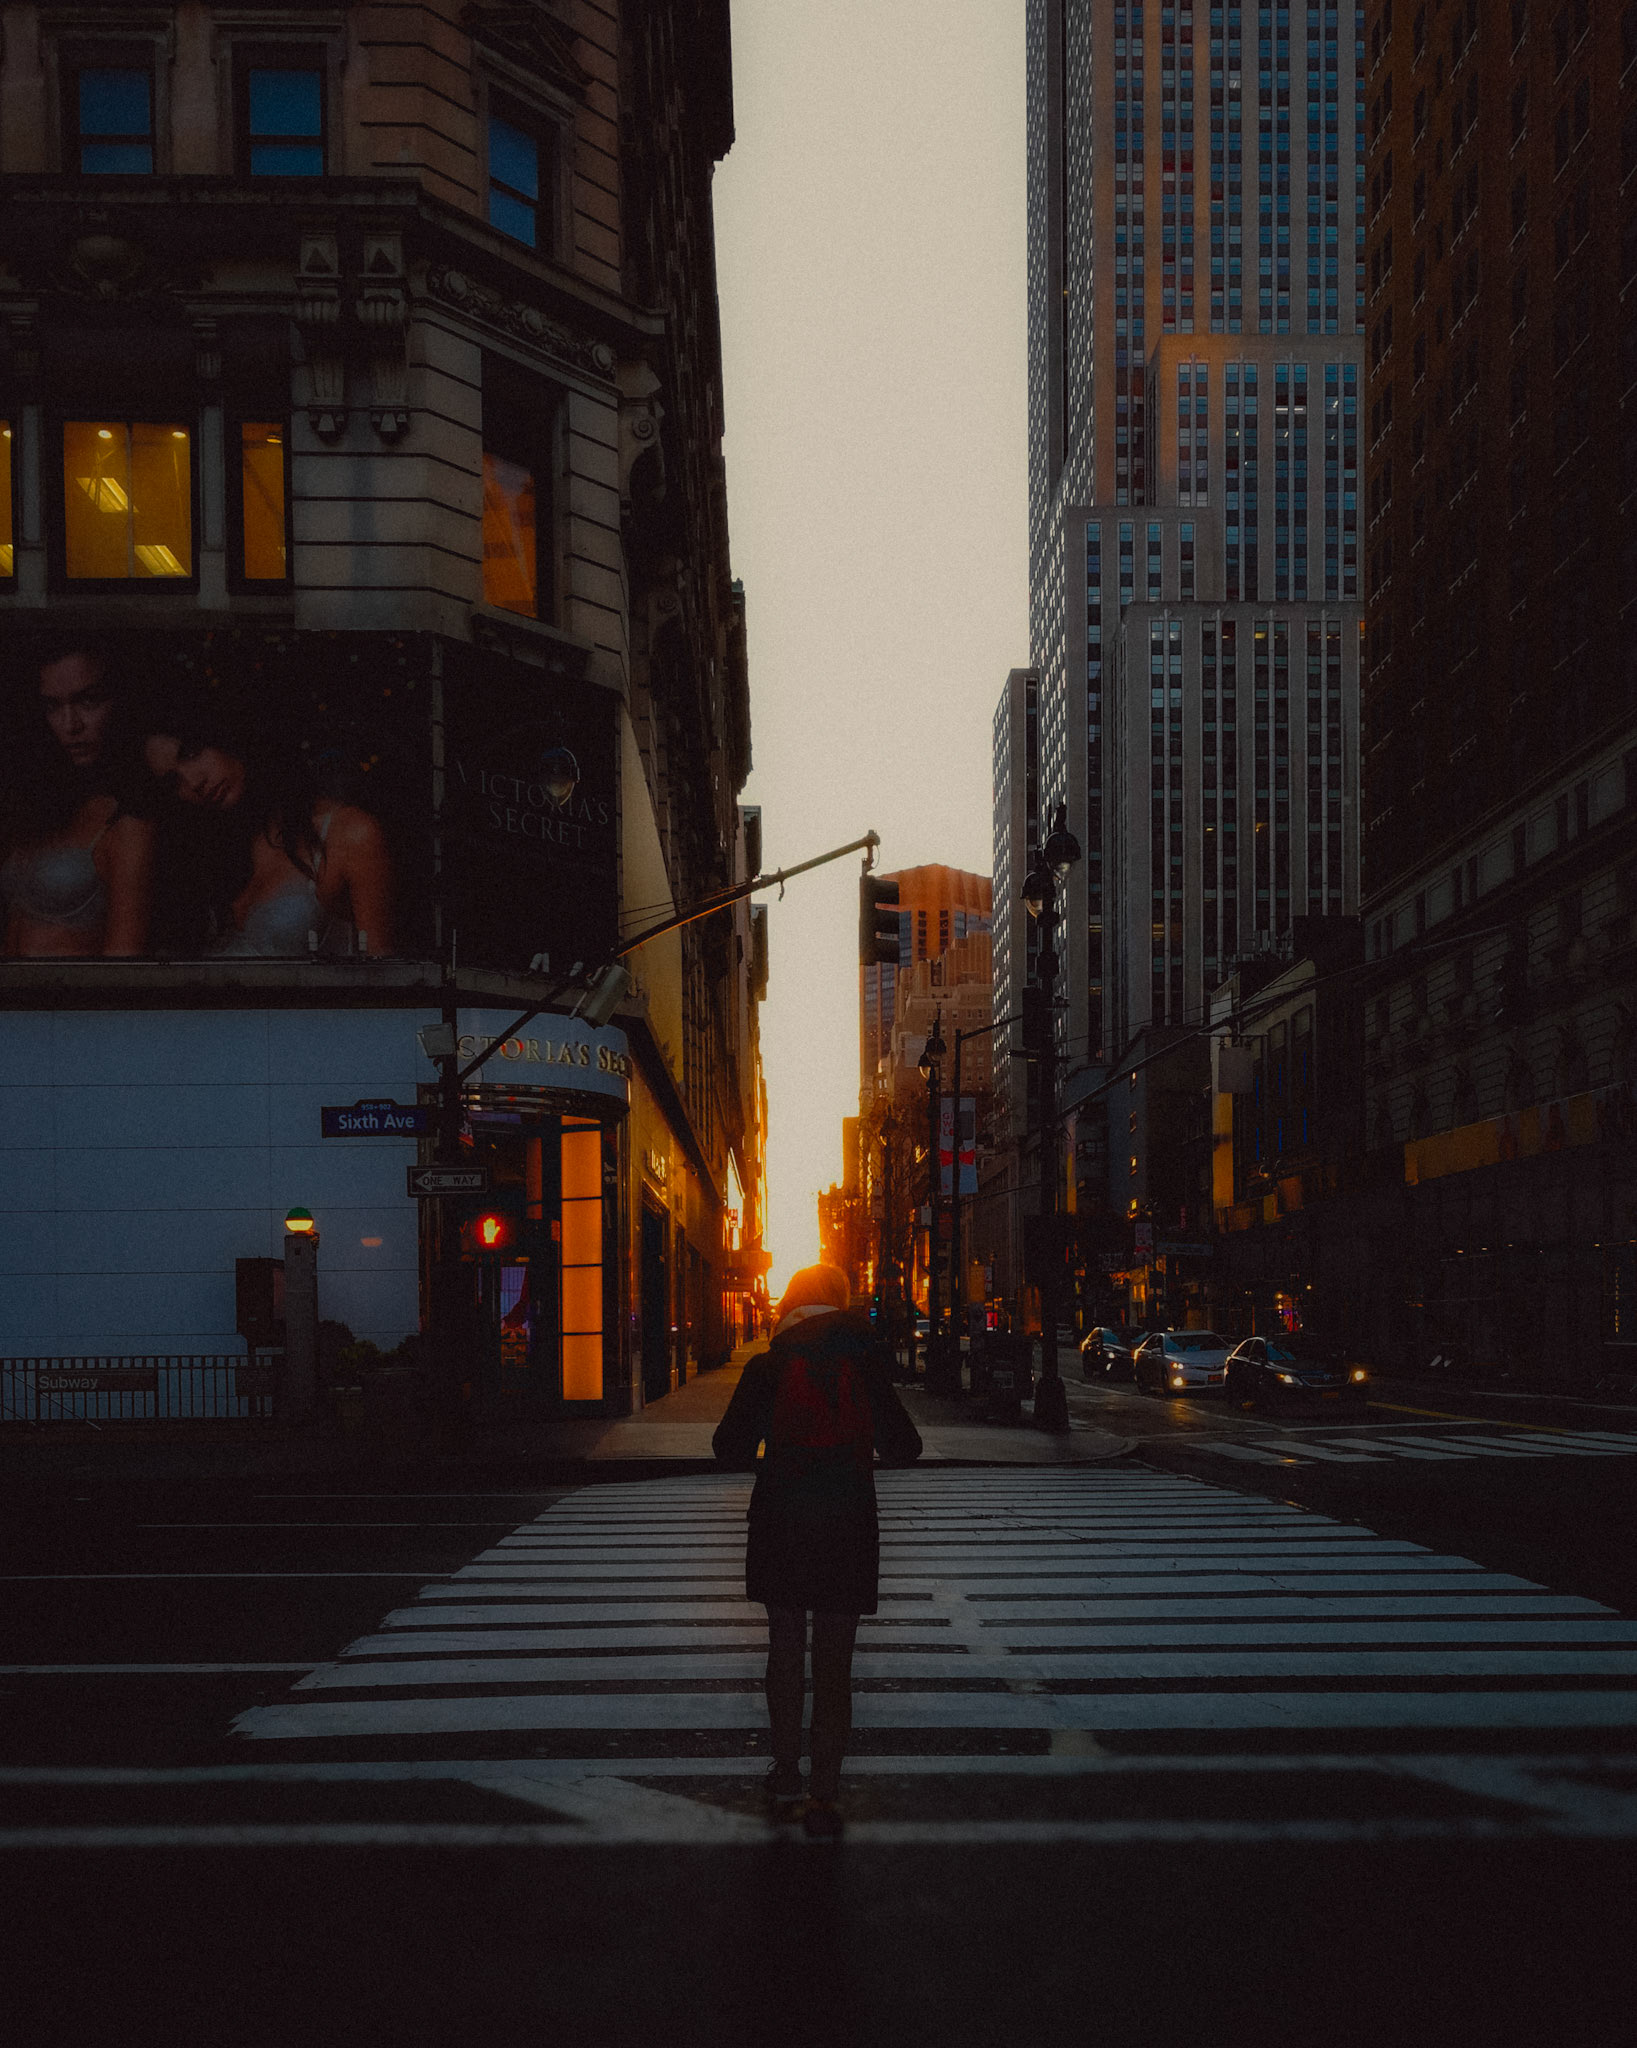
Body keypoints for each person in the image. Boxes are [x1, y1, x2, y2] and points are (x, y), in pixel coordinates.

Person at [712, 1263, 922, 1837]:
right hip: (848, 1521)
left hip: (782, 1518)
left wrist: (776, 1449)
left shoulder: (768, 1366)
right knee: (836, 1663)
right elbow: (907, 1447)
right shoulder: (866, 1364)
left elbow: (727, 1449)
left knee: (784, 1645)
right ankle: (825, 1793)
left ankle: (784, 1771)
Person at [142, 696, 394, 957]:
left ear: (225, 735)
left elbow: (384, 983)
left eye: (192, 753)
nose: (194, 782)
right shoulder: (208, 861)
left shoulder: (350, 833)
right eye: (173, 781)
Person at [1, 639, 154, 957]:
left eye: (89, 701)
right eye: (53, 706)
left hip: (69, 1002)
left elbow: (124, 966)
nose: (70, 725)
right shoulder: (42, 803)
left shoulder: (128, 821)